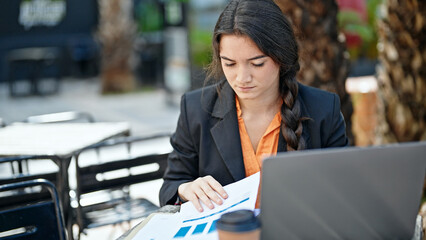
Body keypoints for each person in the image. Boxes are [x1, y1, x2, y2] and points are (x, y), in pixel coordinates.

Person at [159, 0, 348, 212]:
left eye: (257, 63)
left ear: (282, 57)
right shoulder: (195, 109)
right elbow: (171, 185)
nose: (242, 78)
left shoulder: (323, 109)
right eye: (229, 63)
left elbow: (344, 192)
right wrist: (187, 188)